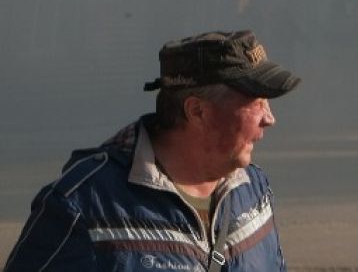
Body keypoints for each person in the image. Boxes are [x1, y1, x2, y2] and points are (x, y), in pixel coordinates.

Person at [3, 30, 299, 272]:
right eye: (257, 102)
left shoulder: (253, 188)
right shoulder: (84, 206)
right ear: (197, 111)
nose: (269, 119)